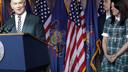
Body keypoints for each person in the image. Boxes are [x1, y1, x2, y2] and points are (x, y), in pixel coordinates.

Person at [100, 0, 128, 72]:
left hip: (121, 59)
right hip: (108, 58)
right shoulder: (108, 21)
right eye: (111, 6)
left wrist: (116, 55)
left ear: (120, 7)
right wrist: (106, 55)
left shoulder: (126, 21)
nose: (111, 8)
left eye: (113, 6)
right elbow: (104, 40)